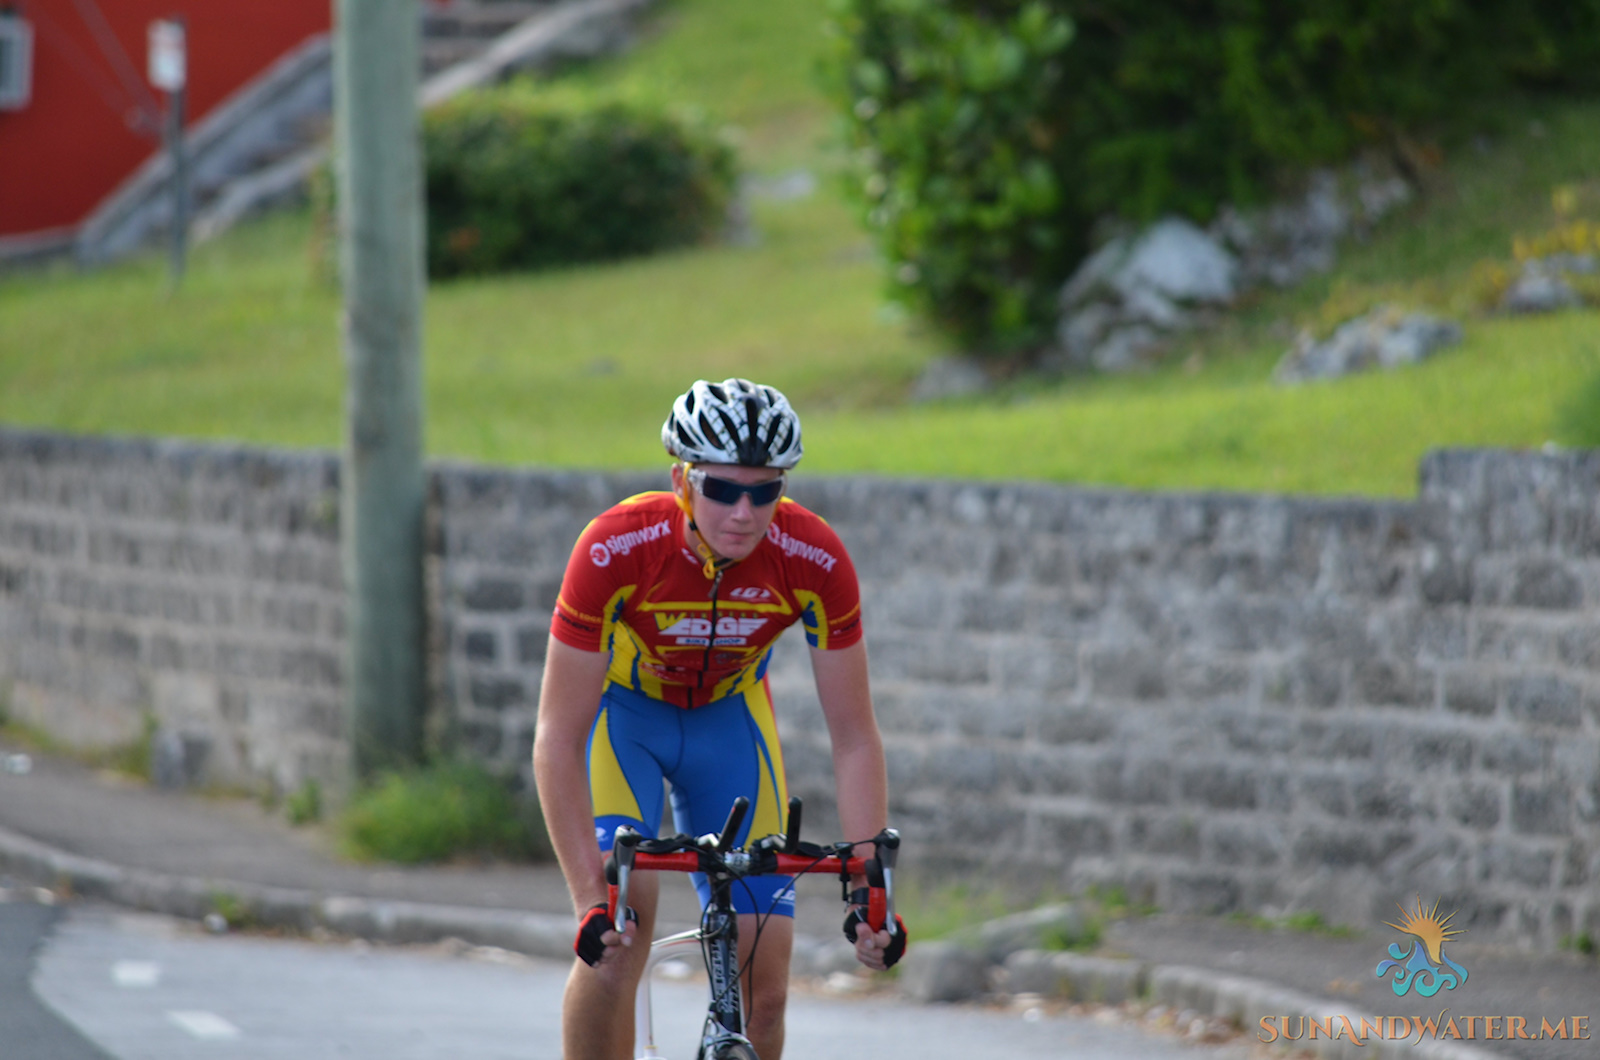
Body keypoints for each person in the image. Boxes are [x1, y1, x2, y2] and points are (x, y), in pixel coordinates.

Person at [533, 378, 906, 1060]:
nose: (743, 512)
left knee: (767, 990)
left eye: (765, 492)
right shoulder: (616, 546)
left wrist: (867, 890)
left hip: (729, 723)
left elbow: (854, 735)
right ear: (681, 480)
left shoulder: (813, 556)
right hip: (625, 720)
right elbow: (558, 735)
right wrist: (588, 897)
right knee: (619, 932)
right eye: (722, 489)